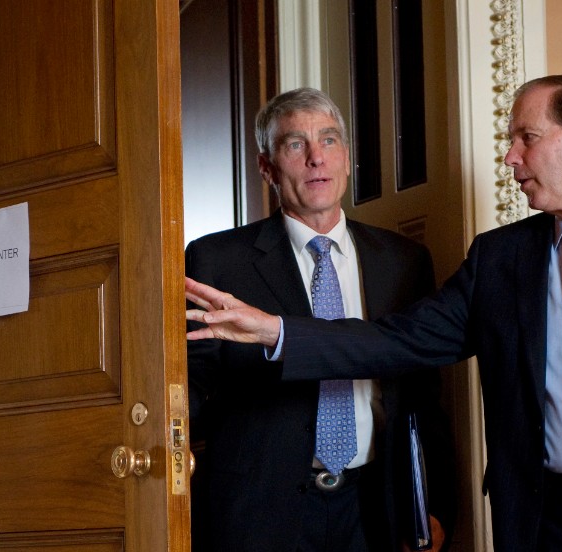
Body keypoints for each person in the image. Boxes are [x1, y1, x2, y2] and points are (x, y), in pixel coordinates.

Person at [186, 75, 562, 552]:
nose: (509, 157)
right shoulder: (500, 259)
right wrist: (278, 331)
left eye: (527, 137)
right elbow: (399, 342)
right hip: (545, 524)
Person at [185, 87, 456, 552]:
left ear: (347, 158)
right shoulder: (216, 261)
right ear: (266, 167)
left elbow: (425, 395)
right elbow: (188, 388)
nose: (316, 158)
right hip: (259, 511)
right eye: (295, 144)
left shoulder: (404, 260)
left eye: (329, 140)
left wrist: (436, 505)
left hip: (378, 507)